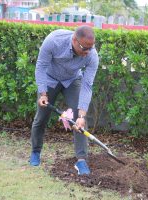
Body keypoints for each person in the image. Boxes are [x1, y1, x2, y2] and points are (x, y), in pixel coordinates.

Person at [29, 25, 99, 176]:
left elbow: (87, 85)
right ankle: (35, 152)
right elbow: (41, 66)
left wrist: (81, 115)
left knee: (80, 122)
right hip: (50, 79)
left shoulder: (92, 54)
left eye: (90, 48)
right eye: (84, 48)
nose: (87, 53)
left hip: (72, 80)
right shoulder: (54, 40)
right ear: (74, 40)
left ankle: (81, 160)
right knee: (41, 117)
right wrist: (43, 93)